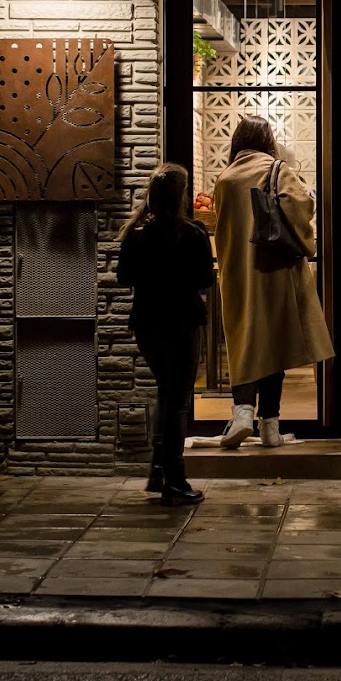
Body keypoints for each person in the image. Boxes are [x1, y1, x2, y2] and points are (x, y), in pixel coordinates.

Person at [212, 115, 334, 450]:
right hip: (275, 270)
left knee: (244, 340)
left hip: (237, 273)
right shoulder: (276, 169)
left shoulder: (224, 178)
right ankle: (269, 428)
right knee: (274, 344)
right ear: (268, 140)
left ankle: (241, 414)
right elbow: (300, 207)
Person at [116, 162, 215, 507]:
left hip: (147, 322)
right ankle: (174, 479)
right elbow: (206, 279)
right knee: (177, 402)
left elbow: (124, 277)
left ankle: (158, 471)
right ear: (181, 194)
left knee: (165, 394)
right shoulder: (192, 233)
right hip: (183, 322)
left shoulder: (136, 233)